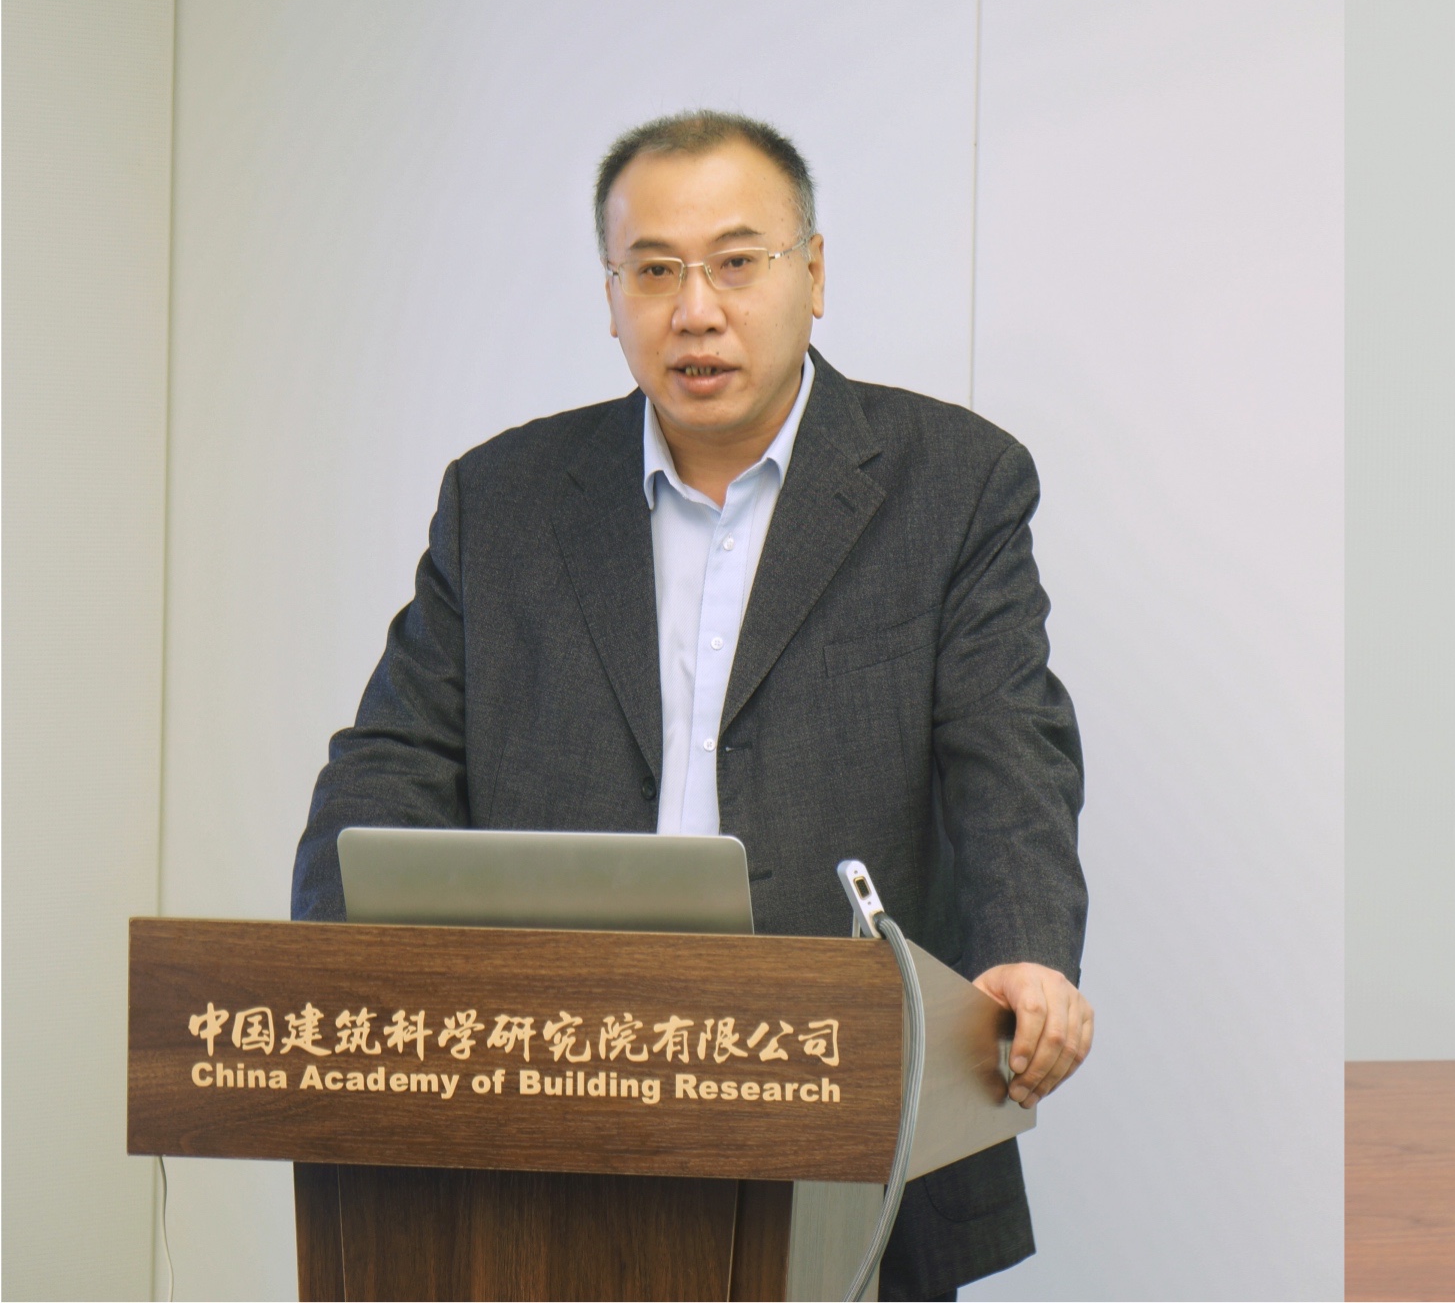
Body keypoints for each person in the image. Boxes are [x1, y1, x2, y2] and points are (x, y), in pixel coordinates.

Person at [288, 110, 1093, 1299]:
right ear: (611, 294)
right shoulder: (503, 499)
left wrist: (1027, 952)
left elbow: (1007, 747)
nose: (695, 309)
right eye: (655, 270)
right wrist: (329, 970)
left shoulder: (952, 482)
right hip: (550, 1101)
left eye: (736, 261)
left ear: (814, 275)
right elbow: (390, 762)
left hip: (835, 1103)